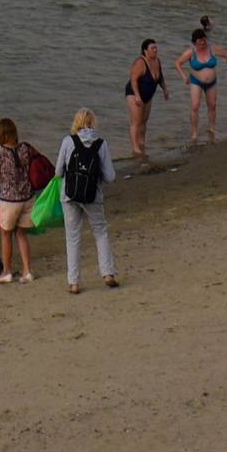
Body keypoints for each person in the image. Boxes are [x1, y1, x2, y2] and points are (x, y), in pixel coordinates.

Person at [57, 109, 118, 293]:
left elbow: (58, 172)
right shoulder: (101, 144)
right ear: (93, 123)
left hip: (70, 195)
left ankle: (74, 282)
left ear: (76, 123)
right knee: (100, 232)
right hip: (93, 196)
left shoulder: (68, 141)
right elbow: (110, 176)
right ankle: (107, 273)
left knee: (73, 237)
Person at [0, 117, 40, 284]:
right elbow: (38, 161)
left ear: (0, 134)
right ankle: (27, 271)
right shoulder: (25, 147)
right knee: (21, 234)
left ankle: (7, 271)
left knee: (5, 234)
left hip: (9, 199)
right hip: (27, 197)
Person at [123, 38, 169, 160]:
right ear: (145, 50)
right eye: (152, 48)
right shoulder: (140, 62)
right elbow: (133, 80)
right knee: (136, 122)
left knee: (144, 121)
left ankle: (142, 143)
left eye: (156, 48)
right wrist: (137, 96)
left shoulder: (157, 61)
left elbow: (160, 78)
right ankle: (135, 148)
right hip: (134, 94)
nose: (155, 50)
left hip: (148, 95)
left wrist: (165, 89)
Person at [175, 28, 223, 144]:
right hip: (196, 81)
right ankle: (194, 133)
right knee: (195, 106)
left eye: (204, 40)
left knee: (212, 105)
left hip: (212, 82)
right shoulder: (191, 52)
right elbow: (177, 63)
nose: (202, 43)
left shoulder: (211, 49)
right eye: (200, 41)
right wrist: (183, 77)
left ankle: (211, 129)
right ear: (195, 42)